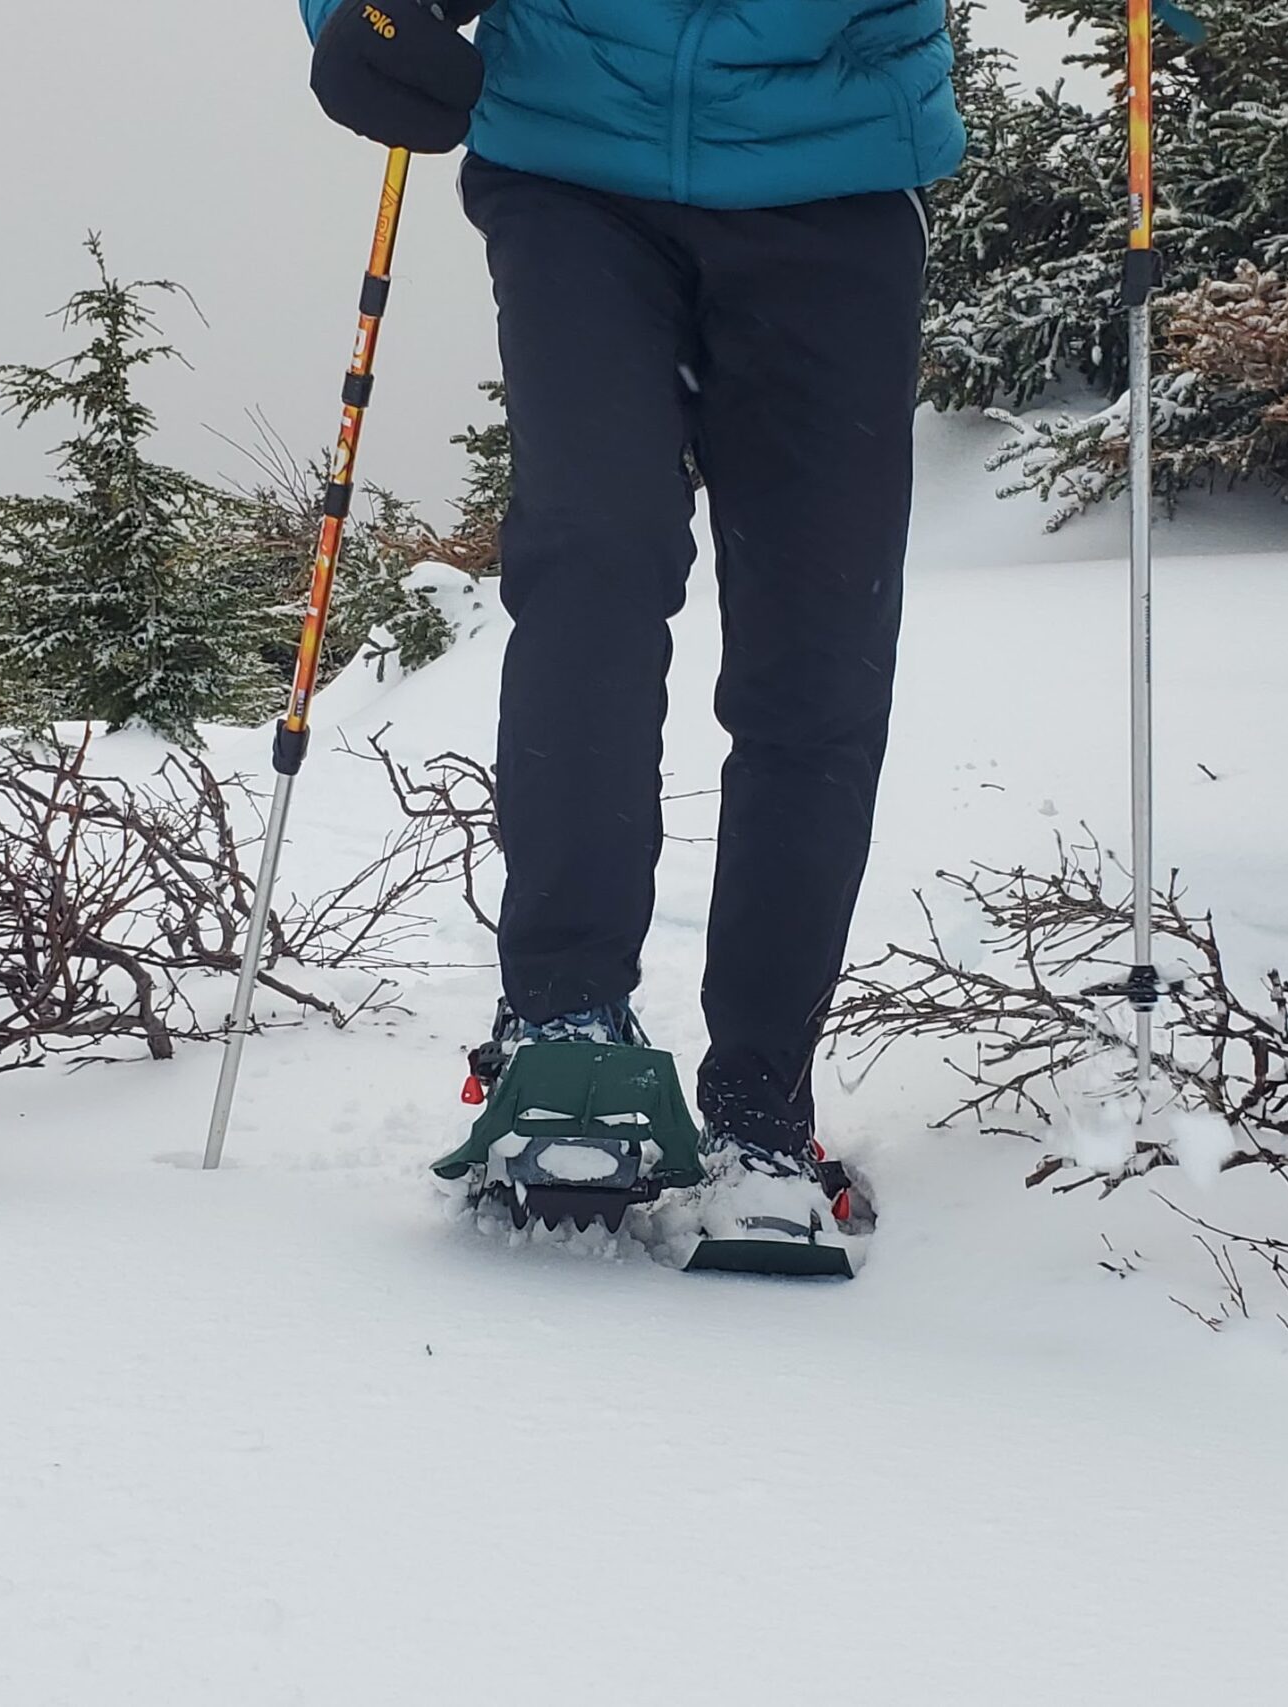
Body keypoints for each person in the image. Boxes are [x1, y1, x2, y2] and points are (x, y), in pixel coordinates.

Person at [301, 0, 962, 1227]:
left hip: (836, 173)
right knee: (595, 554)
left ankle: (763, 1107)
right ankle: (563, 1025)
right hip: (573, 168)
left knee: (818, 642)